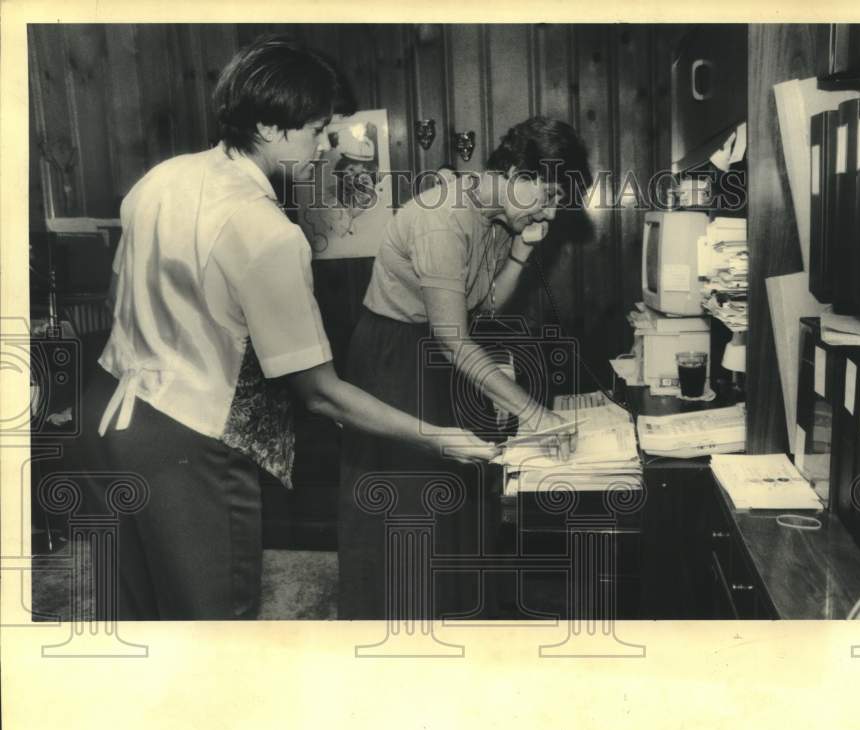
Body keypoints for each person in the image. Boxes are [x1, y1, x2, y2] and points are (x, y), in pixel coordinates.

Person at [78, 35, 495, 621]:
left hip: (105, 415)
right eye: (319, 130)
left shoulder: (162, 178)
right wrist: (441, 437)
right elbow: (322, 394)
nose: (328, 147)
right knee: (218, 626)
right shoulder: (267, 231)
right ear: (272, 128)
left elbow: (119, 292)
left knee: (137, 615)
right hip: (186, 439)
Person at [339, 116, 593, 620]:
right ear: (518, 173)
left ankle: (459, 616)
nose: (548, 211)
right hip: (395, 358)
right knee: (410, 507)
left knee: (463, 493)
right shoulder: (444, 218)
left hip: (443, 351)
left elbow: (488, 306)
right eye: (545, 197)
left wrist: (520, 252)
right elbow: (454, 340)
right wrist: (537, 414)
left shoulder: (501, 217)